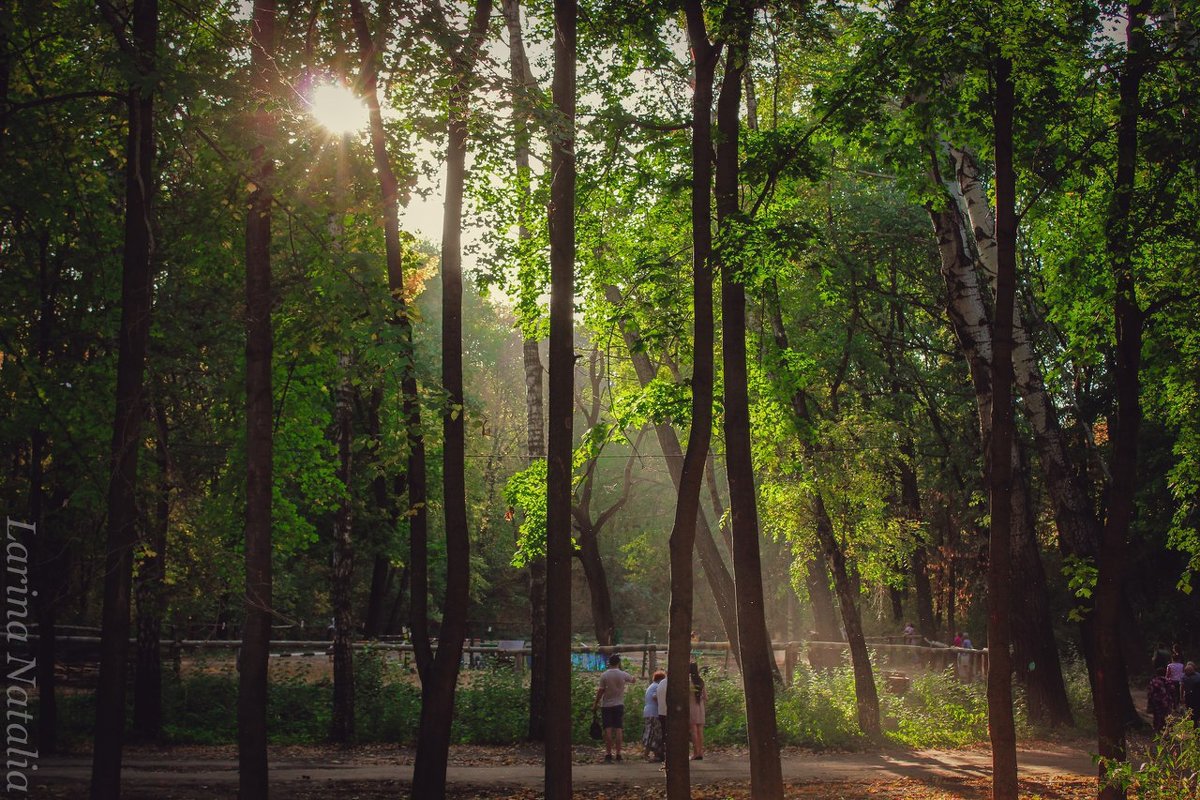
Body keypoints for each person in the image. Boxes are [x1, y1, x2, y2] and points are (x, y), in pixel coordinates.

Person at [593, 653, 636, 762]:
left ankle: (608, 754)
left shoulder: (604, 675)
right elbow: (633, 680)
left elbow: (601, 690)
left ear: (609, 663)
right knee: (618, 729)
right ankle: (618, 753)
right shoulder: (623, 674)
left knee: (607, 729)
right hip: (619, 704)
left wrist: (595, 703)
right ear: (618, 663)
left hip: (606, 705)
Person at [642, 670, 665, 761]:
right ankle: (649, 754)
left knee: (651, 733)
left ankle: (654, 754)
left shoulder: (651, 686)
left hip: (648, 712)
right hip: (653, 713)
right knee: (654, 734)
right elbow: (655, 697)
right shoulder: (657, 686)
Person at [1147, 665, 1176, 732]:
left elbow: (1150, 692)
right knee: (1167, 715)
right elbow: (1173, 691)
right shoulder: (1169, 681)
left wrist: (1150, 702)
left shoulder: (1154, 681)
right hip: (1167, 701)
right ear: (1165, 673)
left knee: (1157, 715)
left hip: (1157, 701)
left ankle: (1157, 729)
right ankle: (1167, 730)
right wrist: (1174, 702)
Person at [688, 662, 707, 760]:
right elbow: (706, 697)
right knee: (700, 731)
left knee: (693, 731)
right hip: (701, 707)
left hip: (691, 707)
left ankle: (695, 753)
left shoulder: (688, 682)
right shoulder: (701, 681)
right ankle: (701, 752)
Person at [1181, 661, 1200, 727]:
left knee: (1192, 710)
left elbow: (1182, 687)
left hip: (1193, 696)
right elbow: (1182, 687)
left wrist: (1181, 696)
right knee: (1192, 710)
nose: (1186, 673)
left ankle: (1194, 722)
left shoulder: (1197, 677)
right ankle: (1194, 722)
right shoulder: (1185, 677)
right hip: (1190, 696)